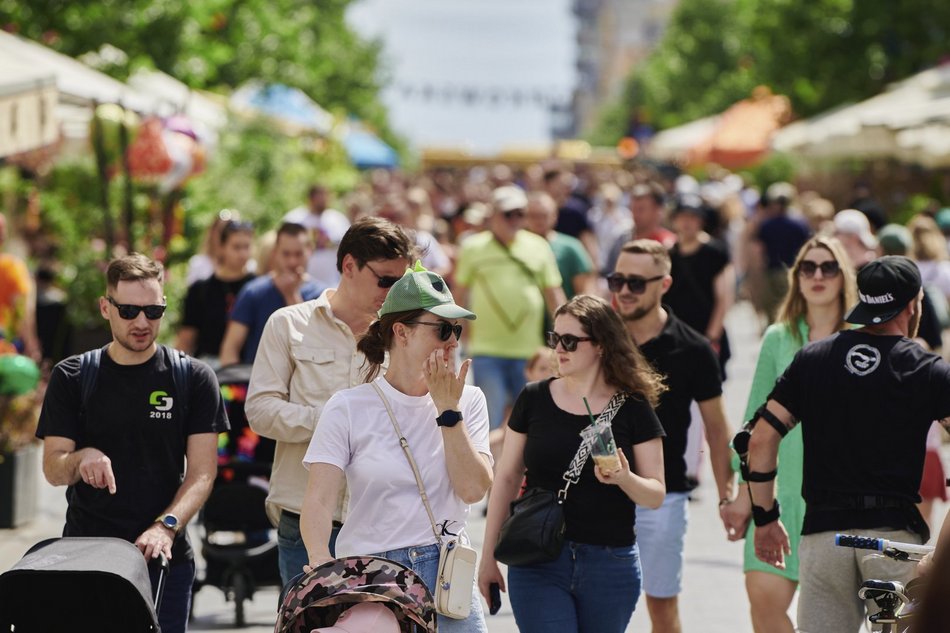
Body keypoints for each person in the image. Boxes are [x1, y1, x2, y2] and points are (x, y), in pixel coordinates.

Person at [746, 256, 950, 633]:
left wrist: (765, 519)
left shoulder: (812, 359)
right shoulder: (929, 370)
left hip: (825, 535)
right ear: (913, 303)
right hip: (894, 539)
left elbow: (759, 439)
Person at [35, 254, 228, 633]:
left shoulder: (193, 378)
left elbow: (203, 473)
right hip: (86, 558)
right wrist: (80, 459)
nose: (141, 322)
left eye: (153, 311)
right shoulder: (73, 377)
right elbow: (53, 469)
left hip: (162, 560)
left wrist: (166, 526)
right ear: (106, 308)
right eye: (128, 311)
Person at [300, 262, 493, 632]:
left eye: (457, 328)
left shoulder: (468, 400)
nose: (453, 340)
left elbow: (473, 489)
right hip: (373, 577)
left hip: (447, 574)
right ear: (401, 333)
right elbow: (320, 500)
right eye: (441, 329)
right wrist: (321, 561)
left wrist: (448, 411)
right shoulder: (348, 406)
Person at [478, 294, 666, 633]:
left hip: (610, 563)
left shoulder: (634, 407)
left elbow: (655, 494)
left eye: (570, 341)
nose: (558, 349)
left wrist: (625, 478)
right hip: (538, 558)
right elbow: (506, 477)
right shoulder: (533, 398)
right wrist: (488, 556)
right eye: (554, 339)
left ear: (601, 346)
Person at [245, 217, 414, 586]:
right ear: (349, 265)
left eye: (401, 282)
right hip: (303, 519)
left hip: (383, 524)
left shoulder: (404, 333)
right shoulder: (287, 324)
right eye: (385, 280)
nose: (393, 291)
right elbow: (259, 411)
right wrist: (334, 423)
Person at [724, 236, 857, 633]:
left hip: (839, 500)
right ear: (796, 277)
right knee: (764, 607)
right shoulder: (778, 338)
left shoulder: (863, 341)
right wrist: (742, 495)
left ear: (843, 277)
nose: (818, 275)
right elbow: (752, 423)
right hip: (776, 496)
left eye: (828, 267)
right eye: (808, 267)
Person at [609, 239, 737, 633]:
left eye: (636, 283)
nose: (624, 291)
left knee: (662, 608)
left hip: (664, 495)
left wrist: (726, 495)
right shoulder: (597, 338)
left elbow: (717, 428)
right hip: (596, 490)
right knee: (599, 606)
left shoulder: (694, 348)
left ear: (664, 284)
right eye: (617, 281)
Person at [453, 185, 566, 430]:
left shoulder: (539, 246)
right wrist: (454, 339)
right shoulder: (472, 247)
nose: (515, 220)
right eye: (508, 214)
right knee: (488, 422)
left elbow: (554, 294)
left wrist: (566, 336)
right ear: (492, 215)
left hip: (531, 353)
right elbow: (458, 297)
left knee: (533, 423)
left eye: (520, 213)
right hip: (485, 351)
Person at [219, 222, 323, 366]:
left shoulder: (323, 296)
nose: (292, 261)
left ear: (309, 250)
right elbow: (230, 349)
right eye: (286, 254)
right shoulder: (253, 292)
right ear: (275, 253)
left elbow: (314, 348)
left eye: (298, 254)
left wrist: (291, 295)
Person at [665, 194, 736, 374]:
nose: (687, 223)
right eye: (682, 217)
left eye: (693, 217)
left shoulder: (715, 252)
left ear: (701, 221)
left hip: (705, 335)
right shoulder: (668, 254)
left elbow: (724, 297)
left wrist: (712, 337)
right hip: (674, 338)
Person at [176, 219, 256, 363]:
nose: (243, 254)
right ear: (222, 247)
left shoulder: (259, 287)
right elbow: (186, 338)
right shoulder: (200, 289)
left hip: (249, 369)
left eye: (247, 247)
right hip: (209, 366)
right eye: (236, 247)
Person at [754, 182, 811, 323]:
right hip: (793, 269)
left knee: (773, 307)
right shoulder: (800, 223)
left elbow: (760, 249)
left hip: (772, 269)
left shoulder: (767, 224)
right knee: (792, 305)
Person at [524, 192, 596, 299]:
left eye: (544, 215)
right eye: (533, 216)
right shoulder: (517, 246)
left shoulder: (571, 247)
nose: (539, 221)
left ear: (554, 216)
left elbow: (584, 290)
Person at [283, 184, 351, 289]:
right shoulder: (294, 219)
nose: (323, 200)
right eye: (319, 197)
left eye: (325, 196)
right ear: (310, 198)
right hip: (301, 284)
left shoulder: (339, 220)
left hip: (332, 284)